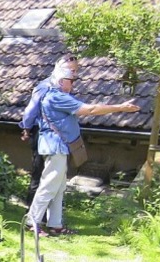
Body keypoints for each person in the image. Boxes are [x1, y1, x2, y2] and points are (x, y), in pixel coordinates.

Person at [24, 60, 140, 236]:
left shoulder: (57, 95)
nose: (73, 83)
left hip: (58, 146)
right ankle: (32, 222)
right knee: (48, 185)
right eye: (71, 80)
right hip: (55, 146)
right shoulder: (57, 97)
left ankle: (55, 225)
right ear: (61, 80)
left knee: (59, 187)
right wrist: (121, 107)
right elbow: (91, 109)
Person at [20, 54, 79, 209]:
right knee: (40, 175)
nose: (74, 74)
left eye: (76, 70)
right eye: (71, 70)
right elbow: (30, 111)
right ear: (60, 69)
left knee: (55, 179)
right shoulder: (45, 87)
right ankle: (32, 217)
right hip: (42, 133)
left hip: (60, 137)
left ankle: (51, 219)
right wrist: (26, 129)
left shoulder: (65, 88)